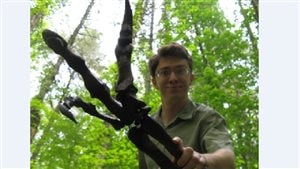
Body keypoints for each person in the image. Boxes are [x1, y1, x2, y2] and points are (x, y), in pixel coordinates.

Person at [138, 42, 235, 169]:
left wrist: (202, 159)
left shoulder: (207, 118)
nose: (173, 78)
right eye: (164, 72)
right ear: (154, 82)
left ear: (191, 78)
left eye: (180, 70)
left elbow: (227, 159)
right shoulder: (145, 128)